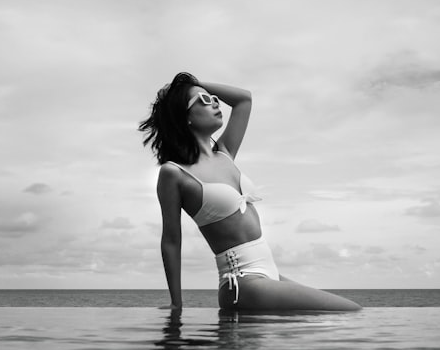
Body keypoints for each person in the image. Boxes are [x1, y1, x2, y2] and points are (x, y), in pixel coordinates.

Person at [138, 72, 361, 313]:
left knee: (332, 322)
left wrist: (193, 86)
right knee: (349, 311)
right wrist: (176, 303)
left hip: (269, 275)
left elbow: (244, 100)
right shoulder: (175, 173)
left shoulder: (224, 154)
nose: (215, 101)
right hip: (242, 282)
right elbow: (171, 240)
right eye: (203, 99)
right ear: (185, 117)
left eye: (213, 97)